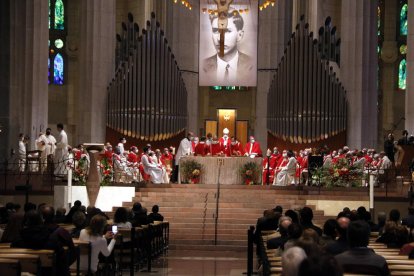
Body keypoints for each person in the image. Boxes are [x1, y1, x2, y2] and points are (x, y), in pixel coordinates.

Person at [202, 10, 254, 85]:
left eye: (227, 31)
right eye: (216, 30)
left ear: (240, 35)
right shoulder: (202, 66)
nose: (220, 39)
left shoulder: (252, 65)